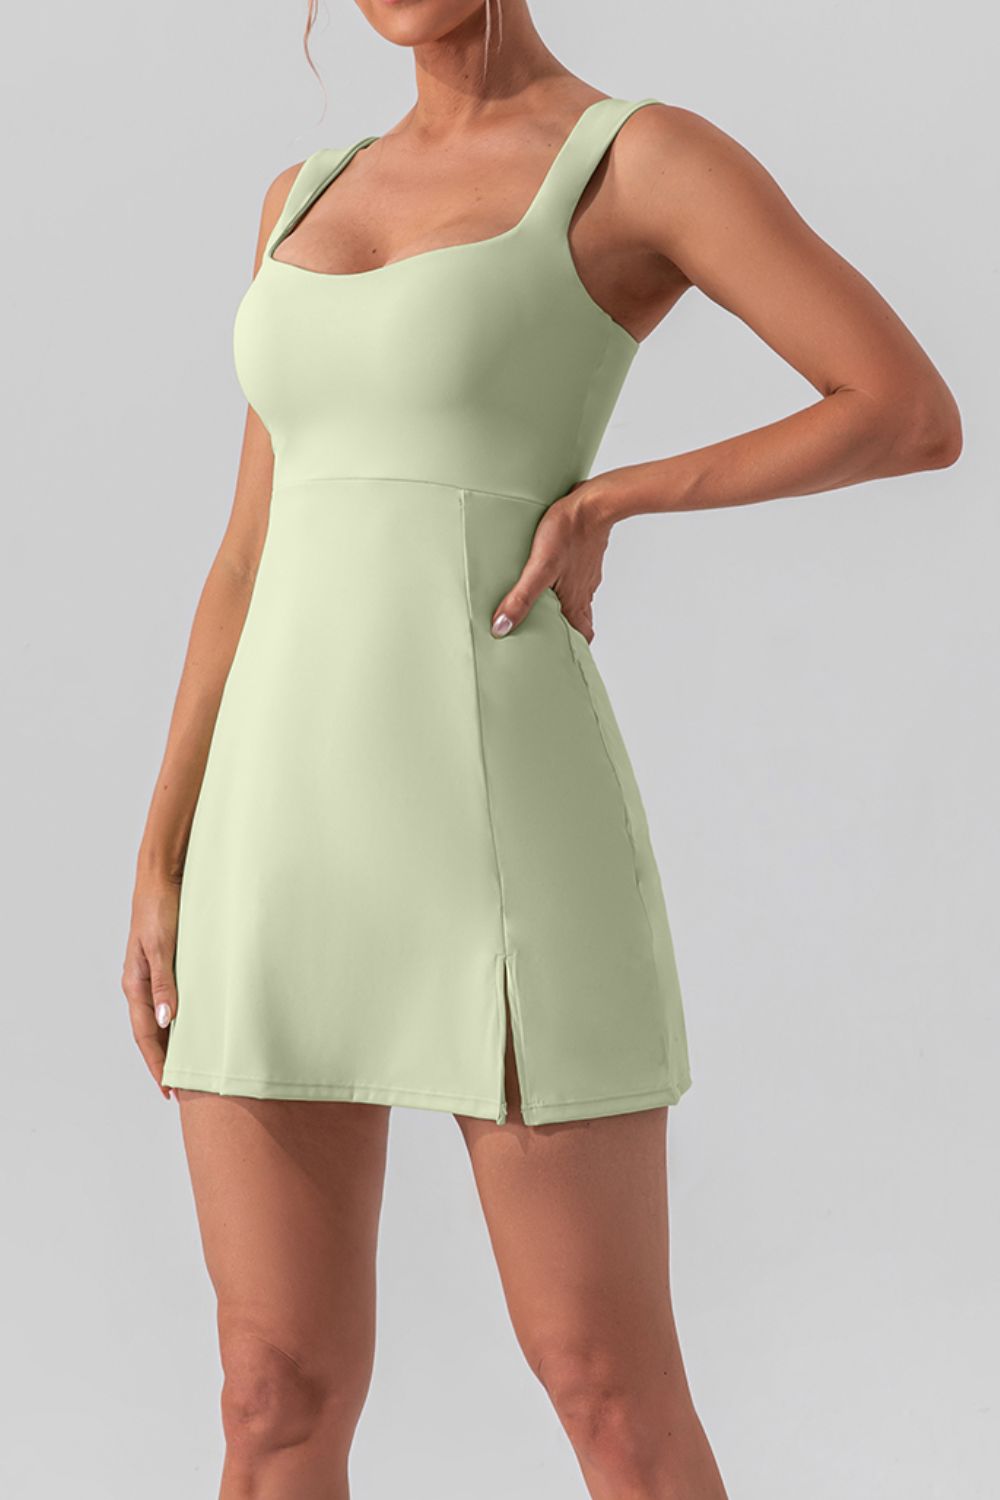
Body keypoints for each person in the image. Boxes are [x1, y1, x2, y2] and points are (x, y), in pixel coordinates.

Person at [122, 2, 962, 1495]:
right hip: (273, 829)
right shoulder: (300, 196)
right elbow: (248, 553)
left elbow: (903, 409)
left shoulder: (635, 161)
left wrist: (614, 496)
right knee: (270, 1393)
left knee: (609, 1391)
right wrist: (162, 852)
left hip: (502, 818)